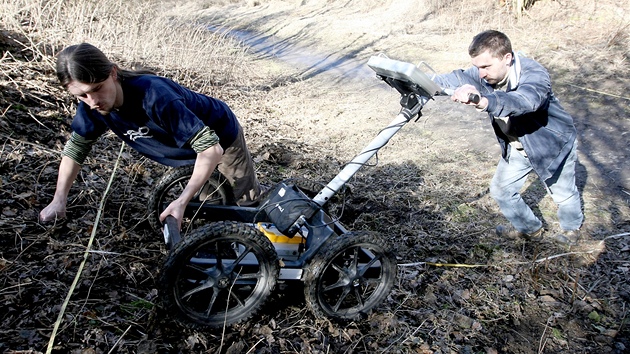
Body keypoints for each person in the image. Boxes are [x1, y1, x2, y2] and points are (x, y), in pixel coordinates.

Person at [39, 43, 262, 229]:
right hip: (189, 146)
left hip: (220, 135)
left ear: (113, 73)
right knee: (208, 204)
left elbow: (211, 149)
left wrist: (182, 201)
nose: (93, 100)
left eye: (98, 88)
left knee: (241, 204)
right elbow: (76, 149)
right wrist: (59, 200)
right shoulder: (92, 106)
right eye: (82, 95)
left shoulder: (154, 95)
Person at [432, 30, 583, 245]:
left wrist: (483, 101)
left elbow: (525, 100)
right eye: (477, 67)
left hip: (552, 145)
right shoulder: (483, 72)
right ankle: (530, 229)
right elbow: (455, 78)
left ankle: (571, 230)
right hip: (518, 145)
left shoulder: (534, 74)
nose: (481, 74)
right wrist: (415, 80)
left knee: (563, 193)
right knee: (502, 190)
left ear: (507, 58)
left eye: (486, 67)